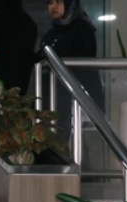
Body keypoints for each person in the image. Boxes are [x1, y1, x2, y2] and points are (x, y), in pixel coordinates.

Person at [41, 0, 103, 140]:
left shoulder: (81, 28)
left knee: (70, 140)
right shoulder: (52, 32)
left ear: (70, 5)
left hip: (73, 96)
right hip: (53, 96)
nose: (53, 7)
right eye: (50, 3)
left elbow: (84, 63)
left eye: (58, 2)